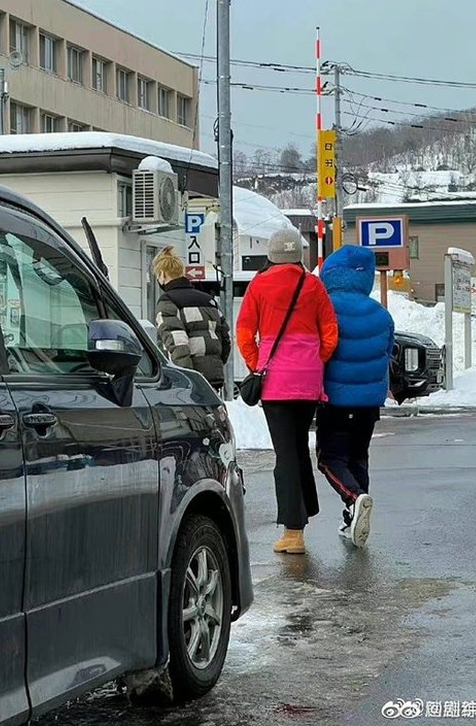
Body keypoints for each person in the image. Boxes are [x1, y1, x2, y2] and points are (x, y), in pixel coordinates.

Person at [236, 228, 338, 555]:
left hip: (276, 382)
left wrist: (258, 363)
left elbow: (244, 332)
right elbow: (330, 333)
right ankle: (305, 510)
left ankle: (293, 532)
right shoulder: (313, 285)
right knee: (296, 446)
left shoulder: (259, 285)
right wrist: (313, 360)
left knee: (285, 454)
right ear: (298, 256)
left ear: (272, 255)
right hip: (308, 381)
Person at [317, 244, 395, 548]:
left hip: (334, 398)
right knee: (358, 456)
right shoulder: (381, 314)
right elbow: (387, 352)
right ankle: (354, 516)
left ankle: (353, 497)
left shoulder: (325, 309)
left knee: (329, 458)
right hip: (369, 403)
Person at [152, 246, 231, 392]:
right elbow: (225, 339)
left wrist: (186, 377)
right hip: (214, 375)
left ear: (162, 275)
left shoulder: (168, 302)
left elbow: (177, 343)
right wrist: (216, 363)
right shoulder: (209, 300)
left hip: (190, 380)